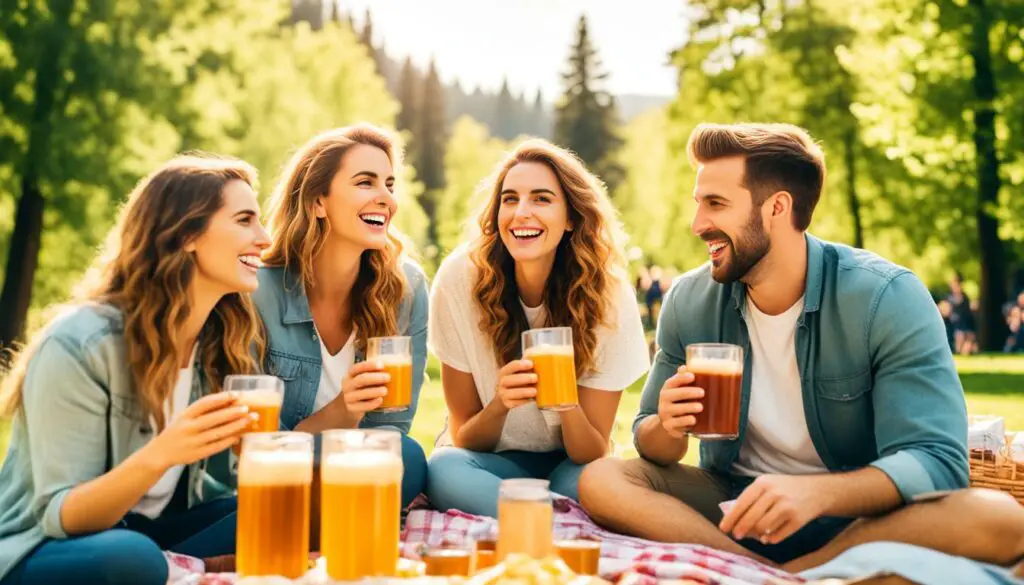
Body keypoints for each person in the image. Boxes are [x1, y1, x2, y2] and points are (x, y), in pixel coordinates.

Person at [578, 123, 1024, 572]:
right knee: (601, 479)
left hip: (859, 516)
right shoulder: (690, 300)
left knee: (1000, 518)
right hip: (736, 506)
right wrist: (667, 426)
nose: (698, 225)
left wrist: (815, 492)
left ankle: (796, 572)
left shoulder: (885, 298)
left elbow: (939, 462)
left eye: (715, 204)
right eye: (699, 204)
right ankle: (758, 569)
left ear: (777, 207)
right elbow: (653, 445)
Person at [0, 155, 271, 585]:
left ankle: (183, 569)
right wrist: (165, 451)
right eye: (245, 221)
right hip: (43, 547)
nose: (265, 238)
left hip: (151, 532)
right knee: (133, 558)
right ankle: (183, 569)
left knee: (276, 513)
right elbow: (63, 516)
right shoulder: (80, 344)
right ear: (187, 234)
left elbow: (215, 491)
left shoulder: (224, 341)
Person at [425, 139, 649, 517]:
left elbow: (592, 450)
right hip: (489, 463)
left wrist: (566, 405)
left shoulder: (607, 295)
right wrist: (499, 404)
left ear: (572, 217)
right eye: (510, 199)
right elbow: (464, 437)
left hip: (570, 465)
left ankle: (529, 519)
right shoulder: (459, 279)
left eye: (541, 199)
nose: (521, 213)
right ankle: (553, 522)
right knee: (444, 470)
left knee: (593, 479)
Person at [253, 124, 428, 508]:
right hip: (267, 479)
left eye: (390, 185)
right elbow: (255, 450)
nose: (386, 199)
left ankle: (311, 521)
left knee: (409, 457)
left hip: (348, 472)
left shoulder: (406, 290)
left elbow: (390, 432)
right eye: (366, 183)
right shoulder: (257, 292)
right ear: (318, 202)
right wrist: (344, 410)